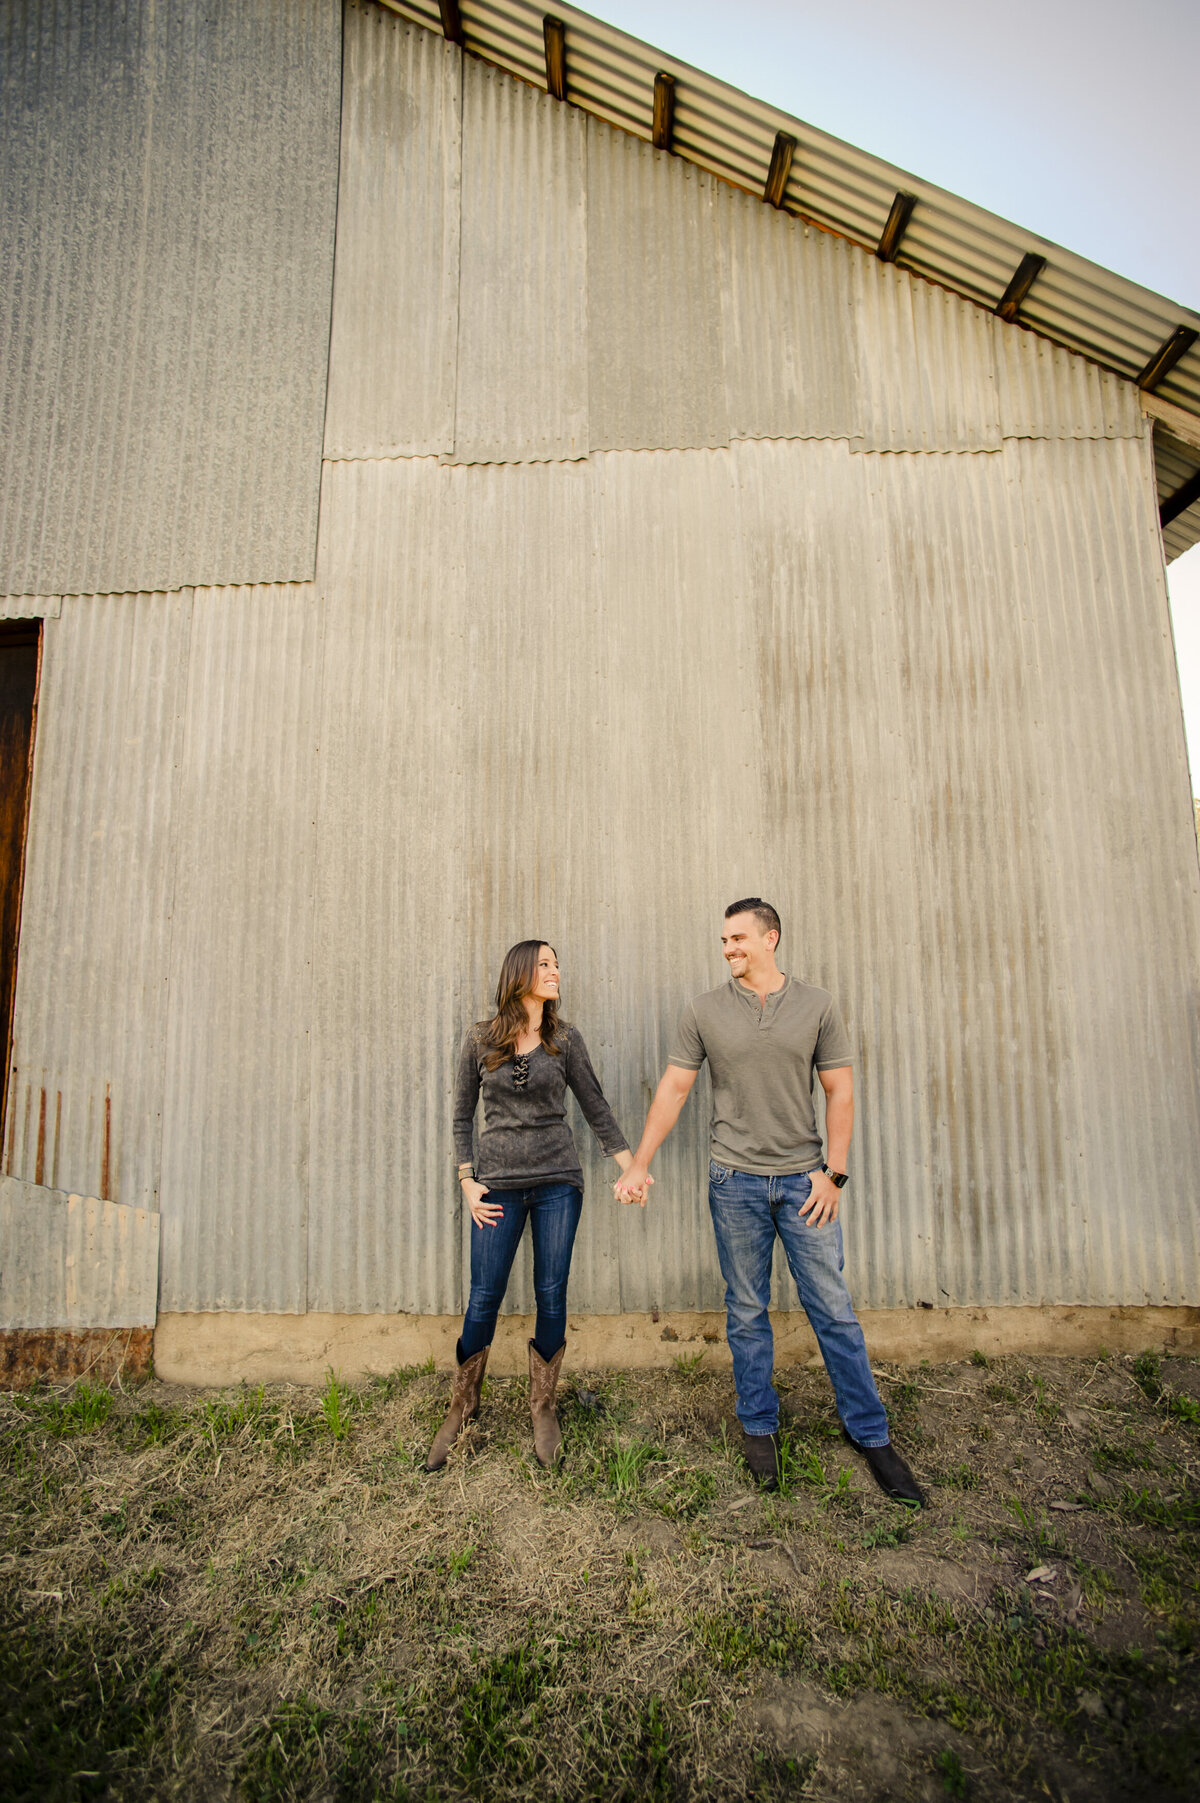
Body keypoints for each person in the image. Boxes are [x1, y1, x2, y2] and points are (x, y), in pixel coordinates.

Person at [614, 899, 923, 1505]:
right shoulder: (703, 1010)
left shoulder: (817, 1006)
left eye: (738, 939)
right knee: (747, 1310)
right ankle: (759, 1426)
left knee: (832, 1308)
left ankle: (870, 1434)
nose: (728, 949)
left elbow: (840, 1092)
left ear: (770, 938)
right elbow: (675, 1088)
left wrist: (833, 1175)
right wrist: (642, 1161)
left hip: (806, 1184)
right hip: (735, 1183)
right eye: (723, 941)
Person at [427, 939, 638, 1472]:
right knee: (483, 1296)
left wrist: (631, 1167)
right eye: (545, 964)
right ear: (519, 974)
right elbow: (460, 1117)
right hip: (496, 1185)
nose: (556, 971)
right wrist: (467, 1181)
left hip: (557, 1183)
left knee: (551, 1292)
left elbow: (596, 1108)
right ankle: (463, 1403)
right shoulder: (481, 1039)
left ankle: (543, 1406)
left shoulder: (565, 1040)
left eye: (557, 963)